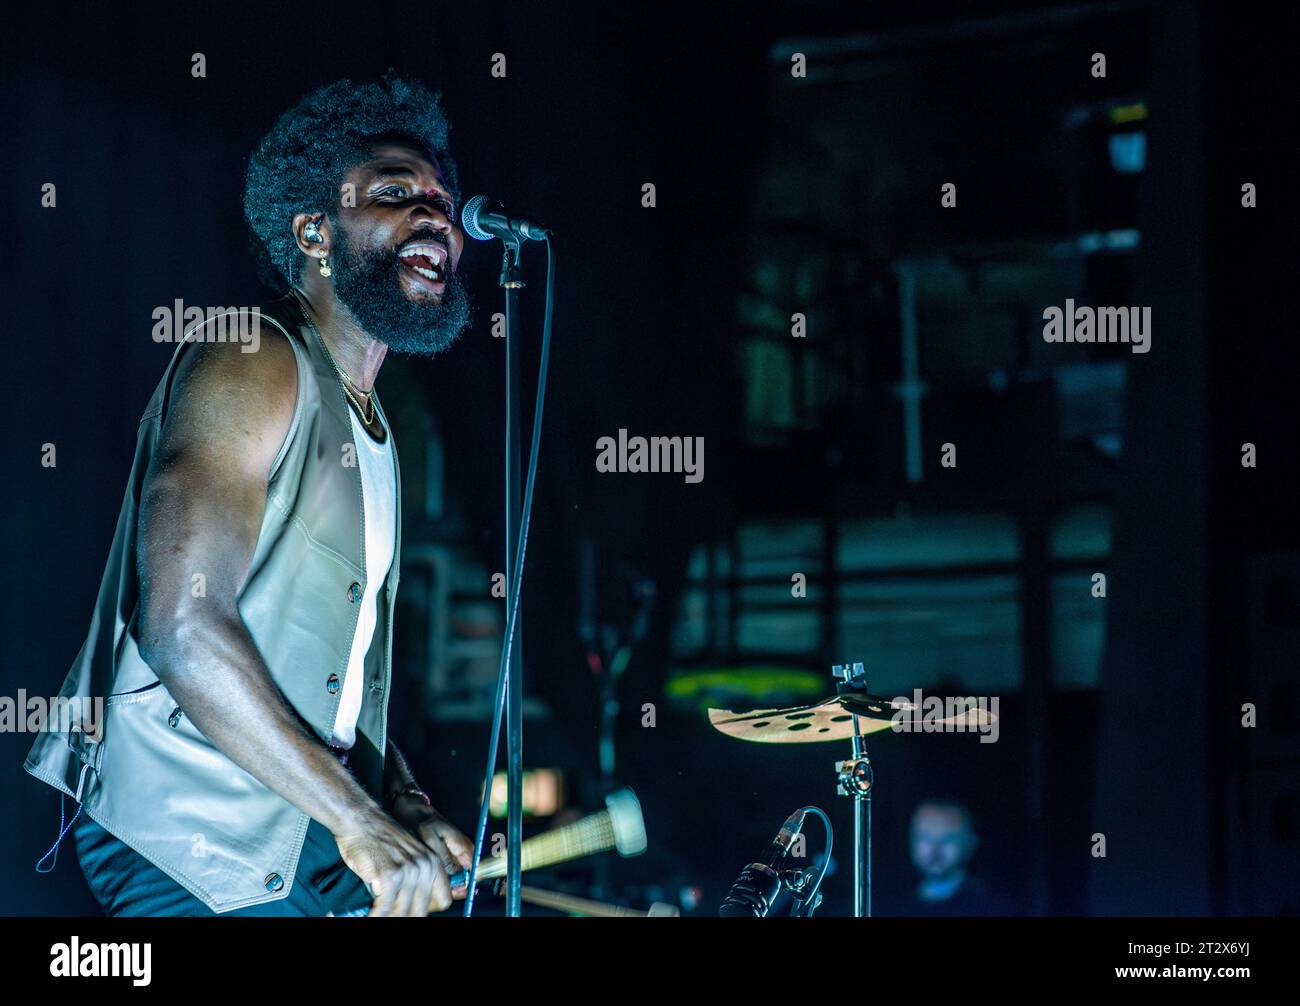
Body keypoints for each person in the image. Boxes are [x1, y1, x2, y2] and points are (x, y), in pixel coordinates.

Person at [25, 72, 478, 917]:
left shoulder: (372, 426)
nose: (437, 218)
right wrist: (360, 823)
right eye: (396, 192)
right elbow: (182, 623)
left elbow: (334, 681)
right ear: (314, 230)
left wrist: (399, 799)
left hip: (291, 824)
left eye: (444, 204)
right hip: (191, 832)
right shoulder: (253, 356)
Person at [903, 800, 1013, 916]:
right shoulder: (893, 901)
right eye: (925, 838)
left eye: (948, 839)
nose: (934, 850)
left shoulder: (992, 907)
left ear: (970, 843)